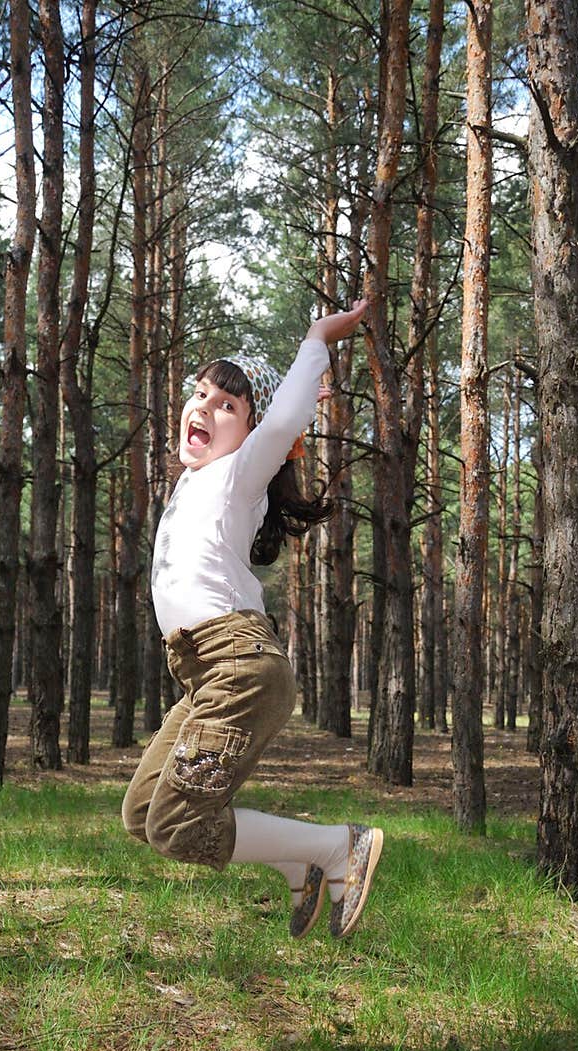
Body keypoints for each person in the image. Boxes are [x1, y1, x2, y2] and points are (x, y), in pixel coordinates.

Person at [122, 300, 383, 940]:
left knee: (175, 824)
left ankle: (334, 847)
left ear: (254, 433)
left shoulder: (240, 476)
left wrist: (317, 338)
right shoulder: (195, 485)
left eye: (227, 407)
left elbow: (288, 416)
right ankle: (303, 860)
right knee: (141, 812)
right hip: (205, 673)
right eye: (201, 395)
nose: (205, 409)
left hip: (238, 665)